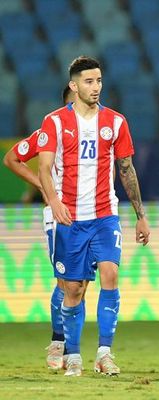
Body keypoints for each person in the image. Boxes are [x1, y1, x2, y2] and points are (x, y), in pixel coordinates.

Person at [38, 56, 151, 377]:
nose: (96, 87)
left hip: (105, 216)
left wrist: (140, 216)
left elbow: (126, 169)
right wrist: (54, 201)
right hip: (70, 219)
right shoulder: (55, 122)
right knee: (72, 289)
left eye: (99, 81)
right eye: (89, 82)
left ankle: (104, 353)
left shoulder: (115, 122)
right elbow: (44, 168)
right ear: (73, 86)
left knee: (110, 276)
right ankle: (73, 354)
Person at [3, 86, 77, 370]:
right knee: (65, 279)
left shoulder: (99, 129)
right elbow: (11, 158)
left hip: (92, 212)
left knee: (81, 282)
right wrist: (42, 186)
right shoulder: (50, 131)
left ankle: (78, 346)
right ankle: (60, 342)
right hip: (59, 213)